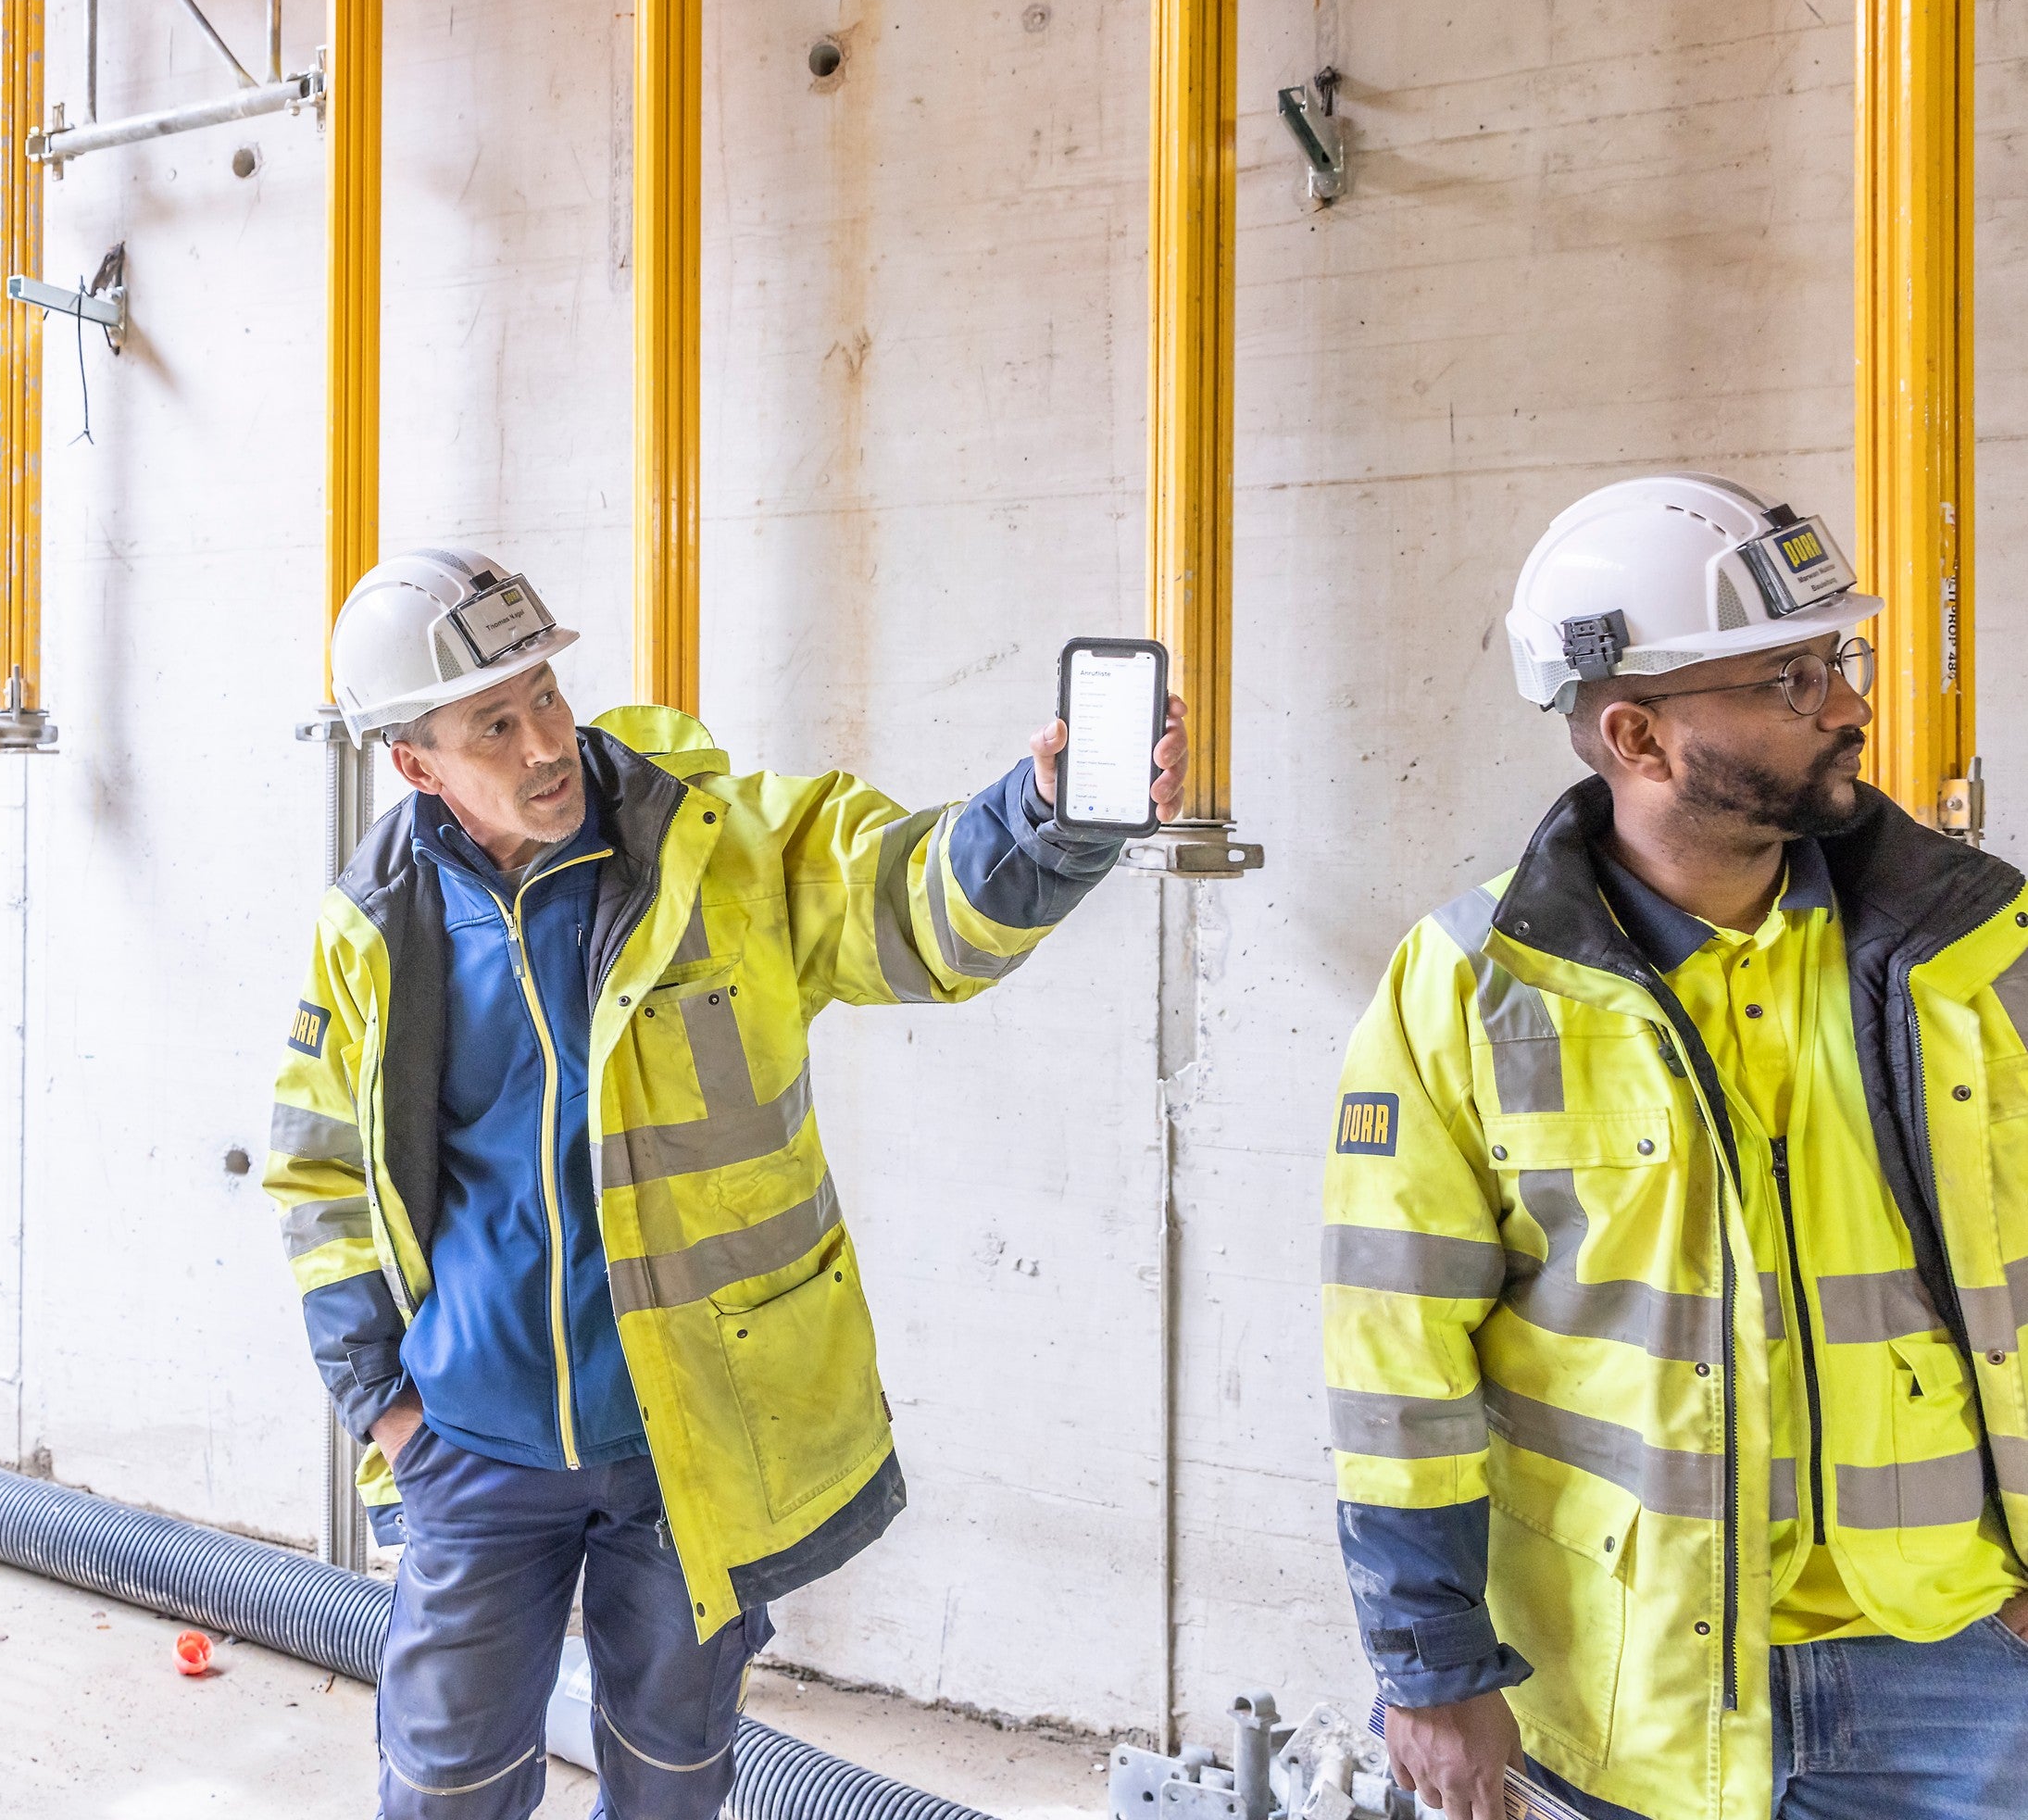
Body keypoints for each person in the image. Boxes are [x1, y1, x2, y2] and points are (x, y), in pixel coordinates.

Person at [264, 548, 1188, 1817]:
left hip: (686, 1444)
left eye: (543, 694)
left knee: (672, 1779)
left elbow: (912, 906)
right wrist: (385, 1408)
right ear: (413, 762)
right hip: (473, 1447)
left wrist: (1047, 819)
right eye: (492, 723)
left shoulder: (717, 853)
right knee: (445, 1785)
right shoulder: (374, 924)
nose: (542, 740)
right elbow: (316, 1172)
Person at [1322, 472, 2028, 1820]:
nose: (1847, 705)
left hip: (1959, 1668)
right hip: (1632, 1684)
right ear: (1639, 738)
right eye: (1788, 679)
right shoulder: (1465, 992)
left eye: (1836, 661)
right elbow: (1390, 1368)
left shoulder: (1975, 955)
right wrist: (1429, 1671)